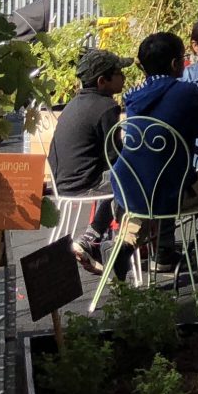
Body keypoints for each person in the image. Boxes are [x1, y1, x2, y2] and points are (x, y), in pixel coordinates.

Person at [112, 32, 198, 270]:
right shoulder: (186, 92)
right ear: (175, 64)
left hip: (128, 185)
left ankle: (133, 243)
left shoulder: (132, 97)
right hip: (171, 190)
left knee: (158, 178)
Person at [51, 47, 131, 273]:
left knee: (118, 179)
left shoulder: (74, 104)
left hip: (62, 181)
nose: (124, 77)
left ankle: (90, 239)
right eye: (118, 72)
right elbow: (115, 156)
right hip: (85, 183)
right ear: (102, 81)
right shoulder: (107, 107)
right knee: (130, 181)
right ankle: (106, 242)